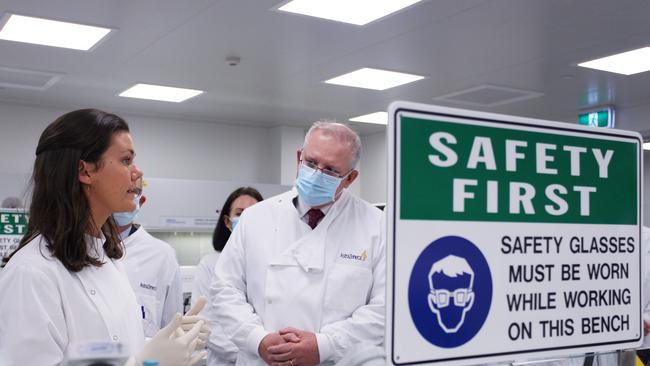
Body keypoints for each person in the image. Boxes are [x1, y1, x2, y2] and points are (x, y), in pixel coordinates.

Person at [0, 108, 206, 366]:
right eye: (125, 160)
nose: (138, 173)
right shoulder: (32, 273)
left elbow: (109, 347)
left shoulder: (106, 257)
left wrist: (162, 343)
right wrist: (145, 362)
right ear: (85, 172)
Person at [211, 121, 386, 365]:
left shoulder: (377, 225)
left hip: (338, 360)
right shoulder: (256, 217)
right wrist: (257, 340)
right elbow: (224, 290)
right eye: (311, 163)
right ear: (298, 157)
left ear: (350, 178)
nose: (316, 174)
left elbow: (385, 308)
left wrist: (325, 345)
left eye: (330, 170)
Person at [192, 186, 264, 365]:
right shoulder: (210, 265)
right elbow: (206, 324)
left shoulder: (273, 264)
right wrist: (252, 355)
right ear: (227, 221)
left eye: (253, 212)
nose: (246, 218)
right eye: (239, 213)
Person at [115, 189, 184, 338]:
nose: (121, 200)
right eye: (118, 192)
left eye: (130, 192)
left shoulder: (163, 255)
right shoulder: (81, 247)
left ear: (141, 201)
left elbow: (172, 327)